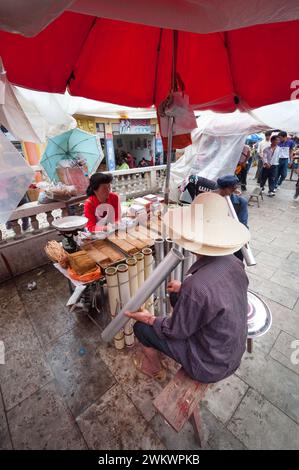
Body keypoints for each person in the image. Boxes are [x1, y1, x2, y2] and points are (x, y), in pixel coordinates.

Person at [125, 192, 250, 382]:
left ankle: (154, 368)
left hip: (209, 365)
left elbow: (175, 330)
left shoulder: (197, 287)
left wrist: (150, 319)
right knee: (177, 295)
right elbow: (214, 296)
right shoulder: (235, 262)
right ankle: (179, 328)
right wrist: (184, 289)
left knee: (142, 329)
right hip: (230, 351)